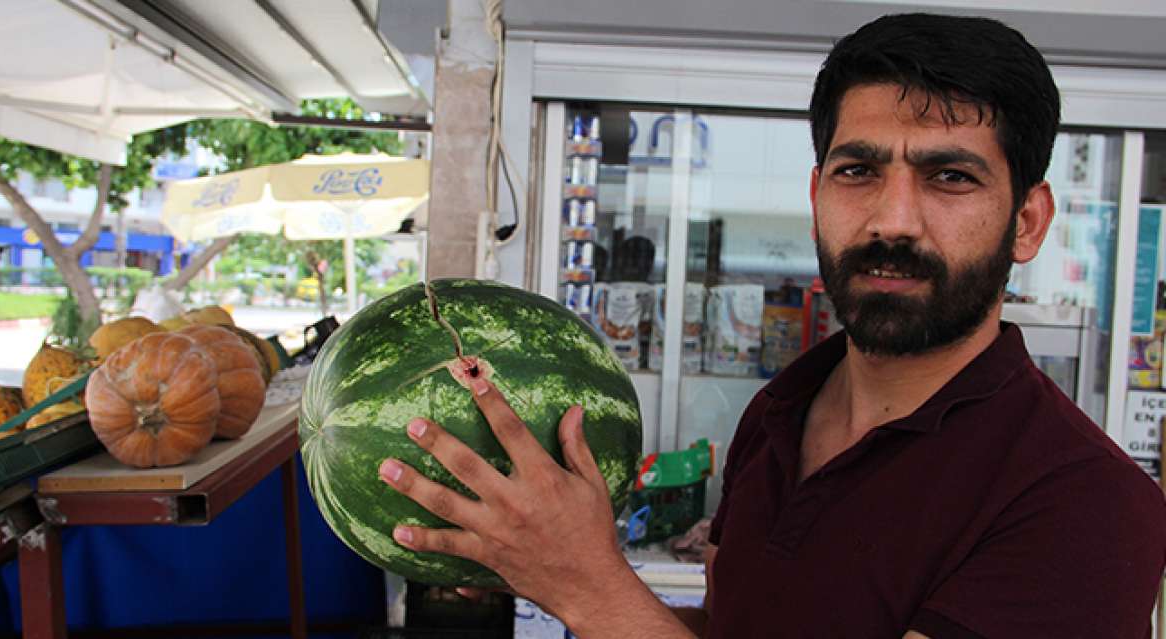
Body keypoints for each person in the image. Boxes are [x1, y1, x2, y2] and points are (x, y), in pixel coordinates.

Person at [376, 13, 1166, 638]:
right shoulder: (782, 410)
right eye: (860, 171)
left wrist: (586, 584)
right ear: (819, 193)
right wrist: (545, 559)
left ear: (1027, 222)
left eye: (950, 177)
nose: (894, 220)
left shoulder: (1088, 505)